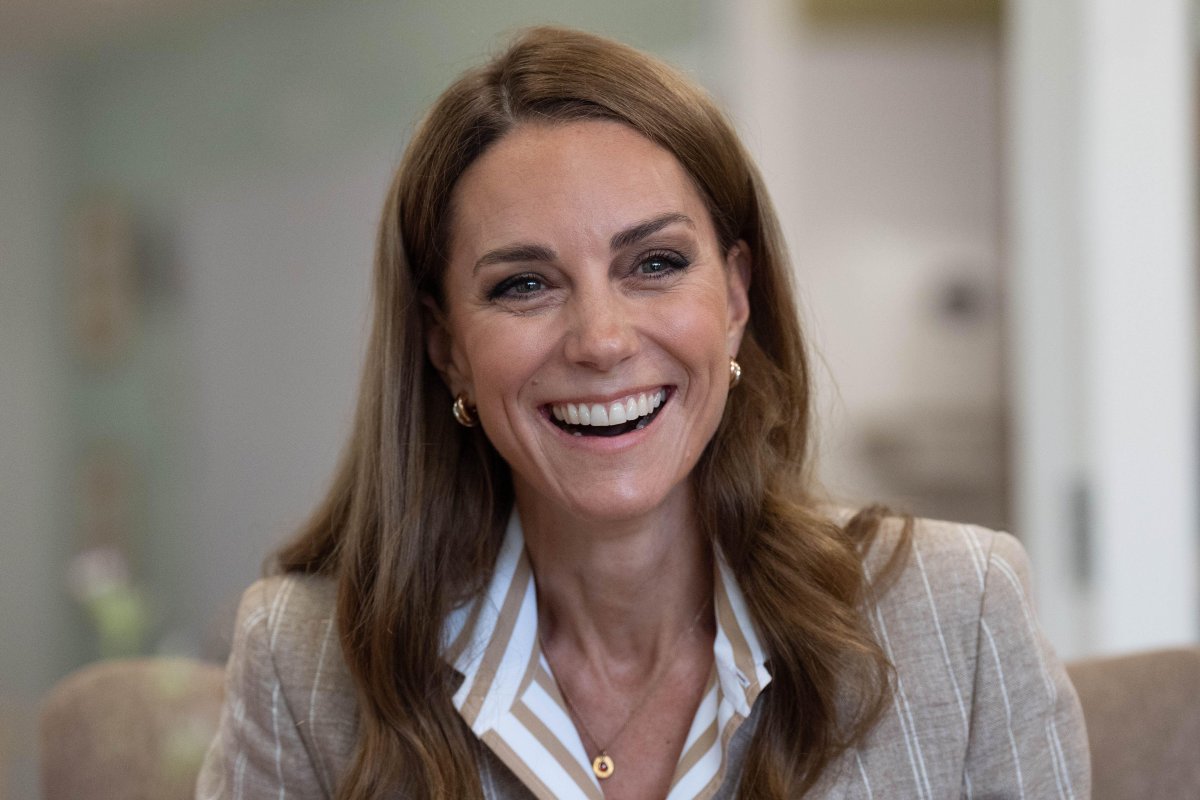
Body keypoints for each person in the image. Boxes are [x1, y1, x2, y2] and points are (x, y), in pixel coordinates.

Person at [196, 26, 1089, 800]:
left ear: (737, 295)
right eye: (524, 284)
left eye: (655, 263)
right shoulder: (303, 662)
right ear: (446, 345)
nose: (601, 339)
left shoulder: (957, 611)